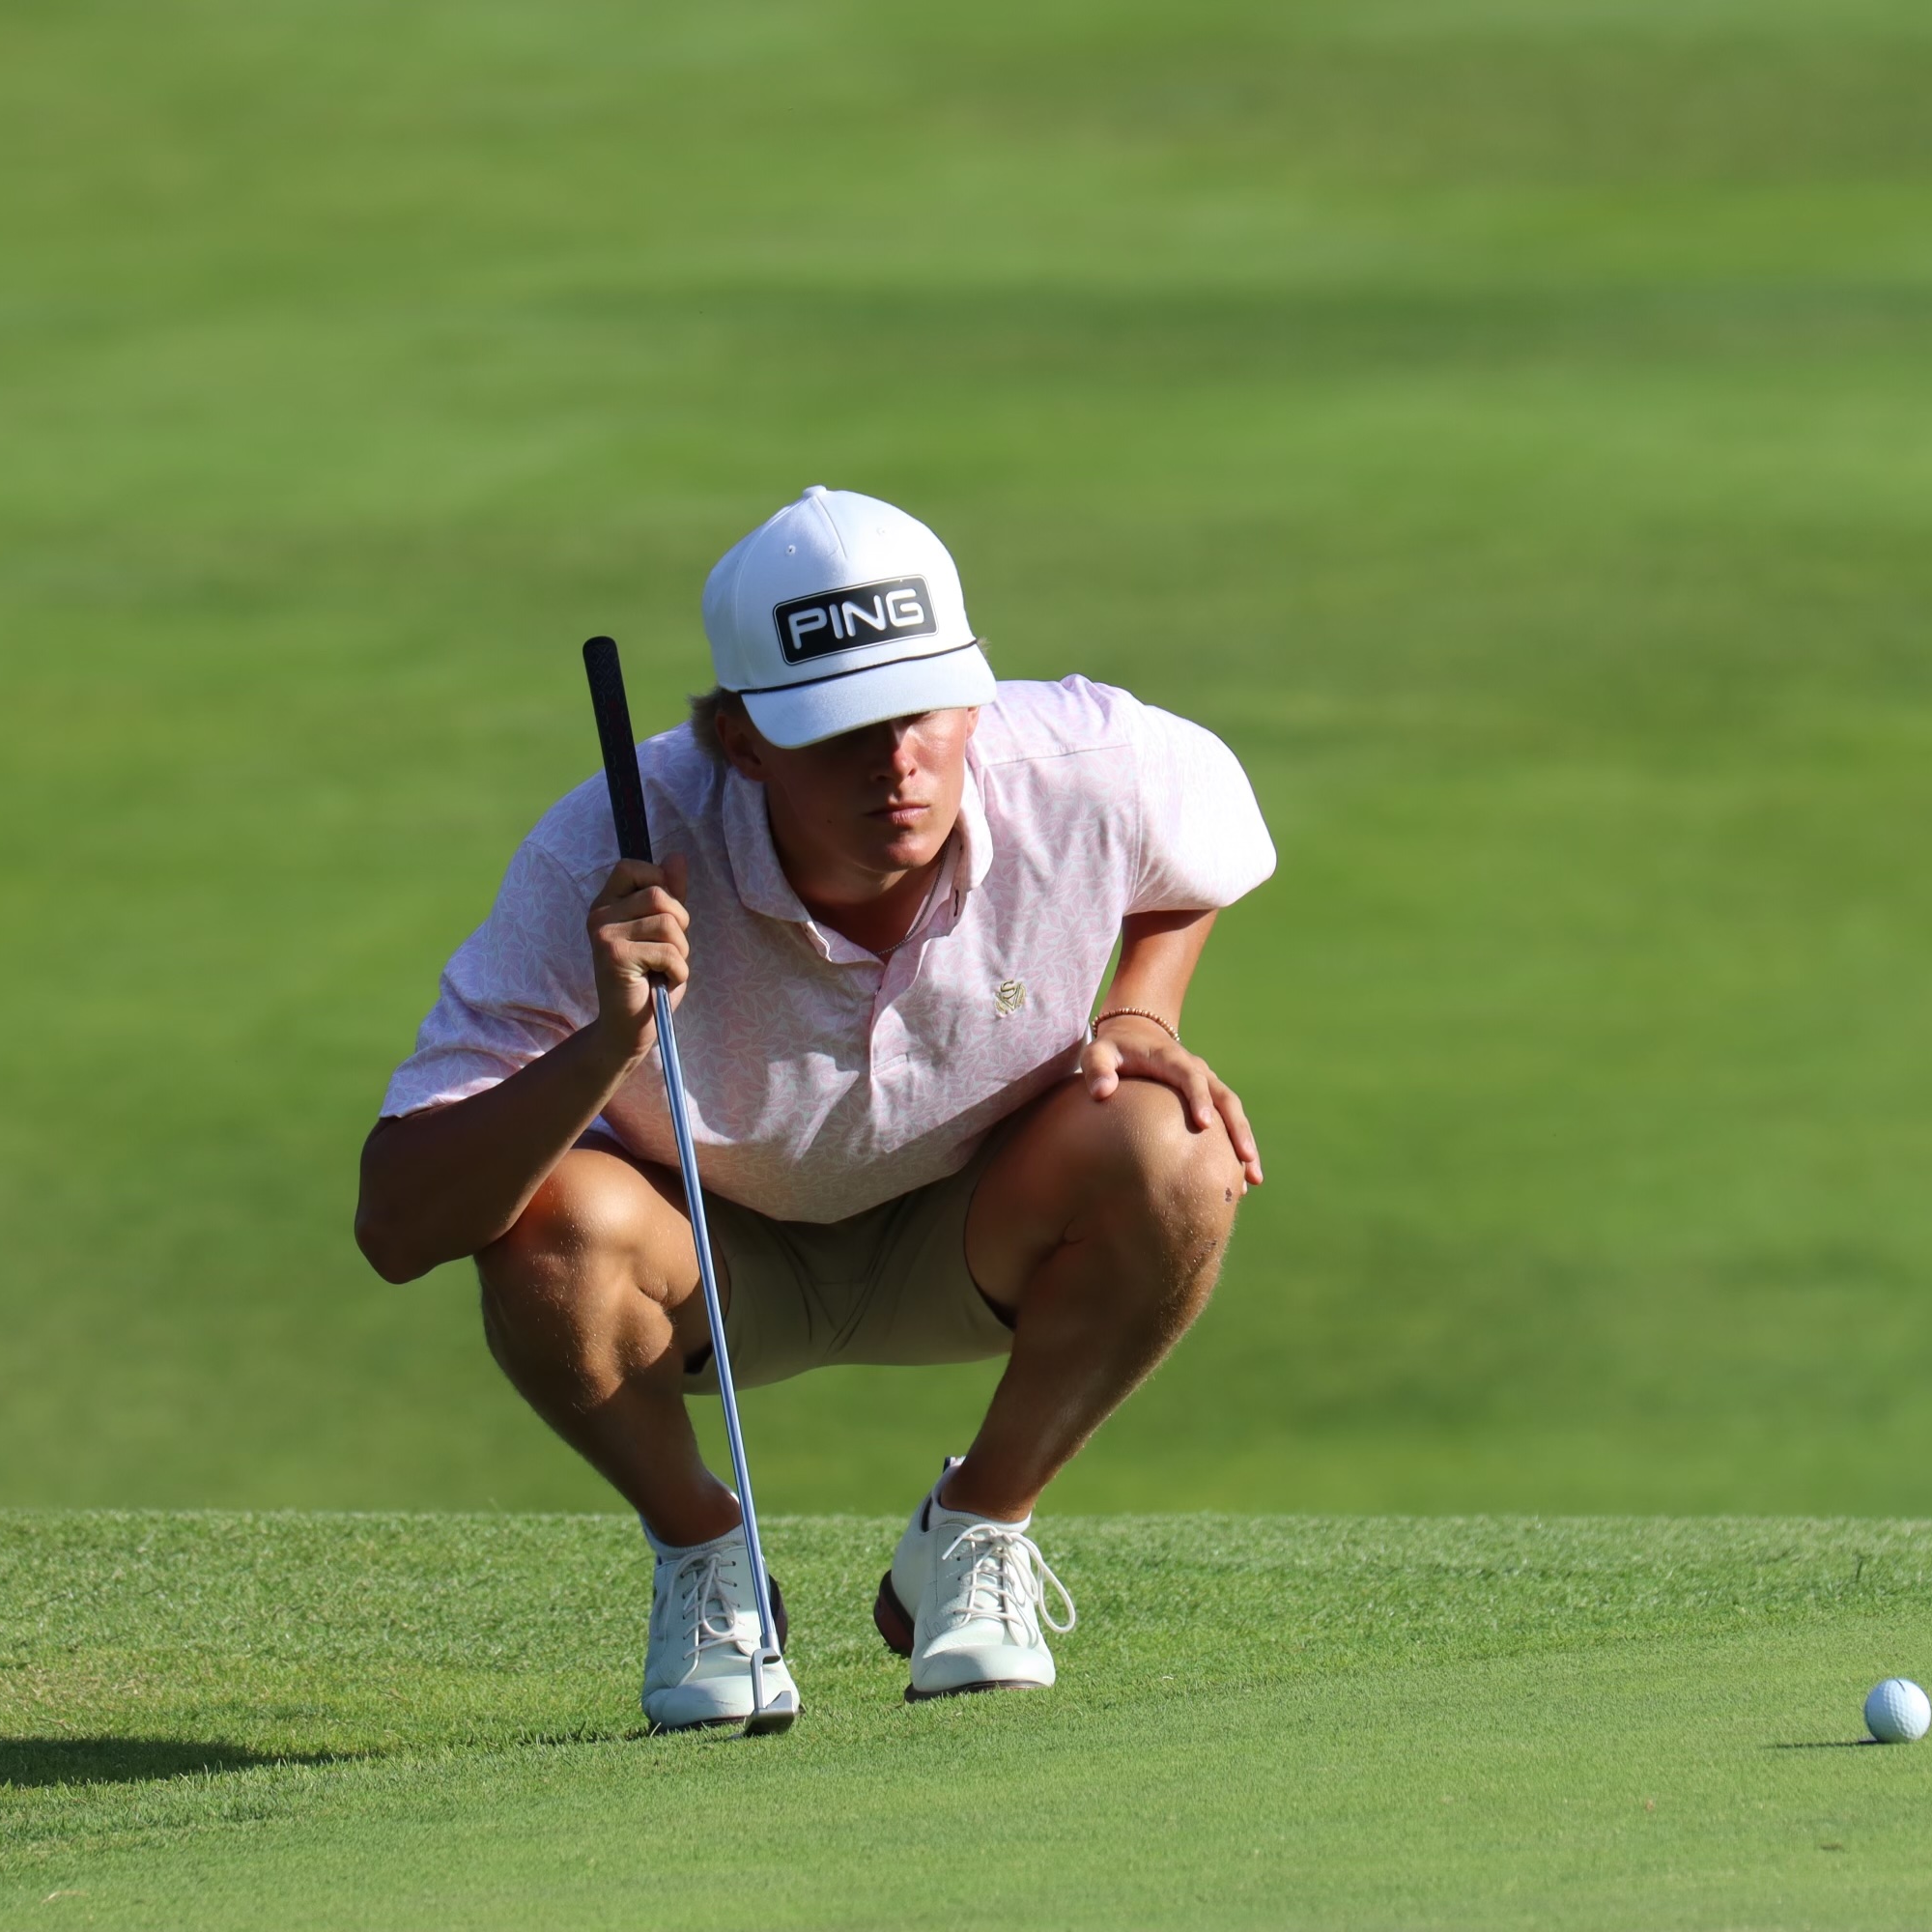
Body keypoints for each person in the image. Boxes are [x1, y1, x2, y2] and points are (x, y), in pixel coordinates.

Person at [353, 487, 1274, 1729]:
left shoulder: (1090, 760)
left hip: (974, 1217)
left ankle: (977, 1528)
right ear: (742, 742)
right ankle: (704, 1554)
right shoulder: (605, 850)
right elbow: (400, 1224)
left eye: (921, 712)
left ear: (974, 696)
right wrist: (605, 1046)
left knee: (1176, 1141)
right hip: (710, 1275)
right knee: (553, 1219)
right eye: (840, 730)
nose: (895, 761)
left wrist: (1143, 1014)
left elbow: (1200, 848)